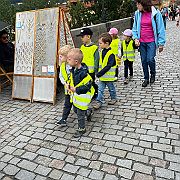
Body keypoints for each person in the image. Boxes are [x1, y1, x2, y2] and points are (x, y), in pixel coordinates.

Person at [132, 0, 166, 87]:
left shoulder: (155, 13)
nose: (137, 6)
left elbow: (161, 29)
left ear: (144, 4)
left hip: (151, 41)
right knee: (143, 60)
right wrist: (136, 38)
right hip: (141, 41)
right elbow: (135, 27)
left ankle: (153, 74)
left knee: (150, 59)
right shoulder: (137, 14)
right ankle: (146, 78)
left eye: (138, 4)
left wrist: (161, 43)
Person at [67, 48, 94, 138]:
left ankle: (81, 129)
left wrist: (76, 90)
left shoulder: (83, 73)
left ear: (76, 61)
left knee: (80, 114)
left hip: (82, 96)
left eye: (69, 59)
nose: (67, 61)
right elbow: (72, 80)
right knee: (75, 110)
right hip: (77, 96)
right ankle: (88, 112)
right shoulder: (74, 69)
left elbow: (87, 85)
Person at [93, 33, 117, 110]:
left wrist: (100, 73)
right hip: (102, 77)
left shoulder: (111, 54)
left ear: (106, 43)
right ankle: (99, 101)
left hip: (108, 77)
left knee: (111, 89)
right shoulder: (101, 52)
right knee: (100, 90)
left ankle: (113, 98)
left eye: (100, 43)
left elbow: (108, 66)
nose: (99, 45)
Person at [76, 28, 99, 99]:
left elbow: (96, 59)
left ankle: (95, 92)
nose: (81, 38)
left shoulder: (94, 48)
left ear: (88, 37)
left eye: (83, 37)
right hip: (83, 70)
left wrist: (96, 69)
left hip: (91, 71)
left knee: (91, 83)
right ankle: (87, 93)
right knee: (85, 82)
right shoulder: (82, 47)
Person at [56, 45, 73, 127]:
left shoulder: (74, 66)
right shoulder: (62, 66)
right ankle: (63, 119)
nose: (59, 57)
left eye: (61, 56)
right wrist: (64, 83)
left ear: (67, 57)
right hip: (68, 90)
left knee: (77, 108)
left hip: (75, 90)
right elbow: (61, 76)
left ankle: (87, 112)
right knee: (67, 105)